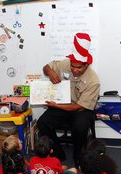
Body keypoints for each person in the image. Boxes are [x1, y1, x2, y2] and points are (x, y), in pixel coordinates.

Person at [37, 32, 100, 165]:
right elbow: (46, 67)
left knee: (80, 127)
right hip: (64, 104)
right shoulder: (66, 64)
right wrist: (51, 72)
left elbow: (79, 106)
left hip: (81, 109)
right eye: (73, 66)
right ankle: (58, 154)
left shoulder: (93, 80)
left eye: (79, 67)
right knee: (43, 122)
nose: (74, 69)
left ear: (86, 65)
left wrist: (56, 106)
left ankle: (78, 159)